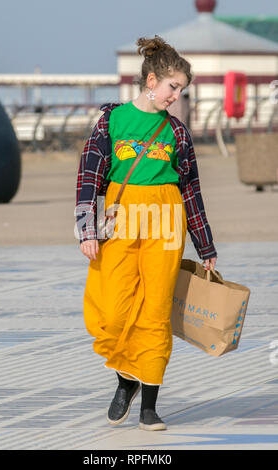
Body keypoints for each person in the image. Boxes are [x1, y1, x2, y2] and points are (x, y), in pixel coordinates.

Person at [75, 35, 217, 431]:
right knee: (112, 311)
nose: (176, 97)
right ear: (151, 80)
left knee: (155, 312)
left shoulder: (179, 134)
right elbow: (89, 175)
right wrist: (87, 229)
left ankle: (149, 403)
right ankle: (126, 378)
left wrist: (205, 244)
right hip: (120, 223)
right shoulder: (113, 120)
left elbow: (191, 191)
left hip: (166, 226)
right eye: (173, 87)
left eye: (182, 91)